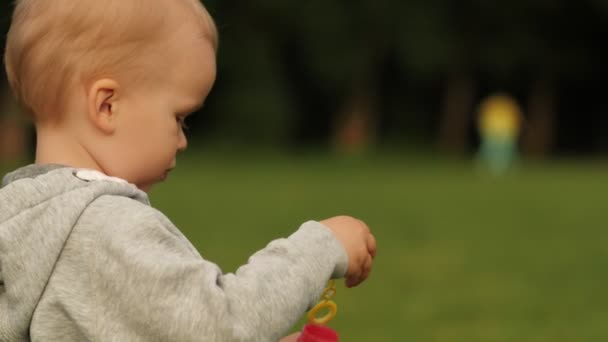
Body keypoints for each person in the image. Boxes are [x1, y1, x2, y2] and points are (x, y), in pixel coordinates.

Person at [0, 1, 377, 341]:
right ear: (107, 106)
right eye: (178, 117)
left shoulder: (28, 223)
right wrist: (320, 246)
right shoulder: (101, 229)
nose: (182, 140)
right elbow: (219, 327)